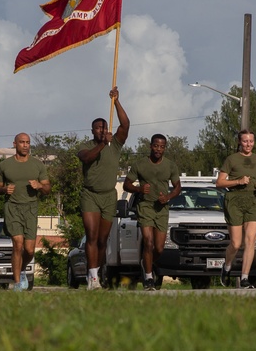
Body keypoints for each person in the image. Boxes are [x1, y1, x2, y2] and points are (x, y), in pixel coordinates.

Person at [76, 86, 130, 289]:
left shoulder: (115, 144)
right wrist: (101, 144)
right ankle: (92, 278)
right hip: (90, 195)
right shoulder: (85, 147)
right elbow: (88, 158)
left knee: (102, 239)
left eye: (104, 127)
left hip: (109, 196)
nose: (101, 130)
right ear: (92, 131)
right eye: (97, 128)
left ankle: (97, 271)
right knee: (91, 234)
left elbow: (125, 124)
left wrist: (116, 101)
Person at [215, 129, 256, 289]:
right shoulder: (232, 159)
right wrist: (238, 181)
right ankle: (227, 267)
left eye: (251, 141)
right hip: (234, 200)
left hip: (253, 201)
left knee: (250, 240)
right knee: (235, 243)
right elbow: (219, 183)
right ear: (240, 142)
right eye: (245, 141)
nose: (248, 144)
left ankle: (245, 278)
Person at [123, 134, 181, 290]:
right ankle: (148, 278)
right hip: (146, 206)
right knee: (148, 242)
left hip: (162, 208)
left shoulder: (170, 165)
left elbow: (178, 187)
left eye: (162, 147)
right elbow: (126, 184)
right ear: (150, 146)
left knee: (159, 248)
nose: (158, 149)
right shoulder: (140, 165)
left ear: (165, 148)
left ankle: (145, 261)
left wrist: (168, 197)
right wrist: (138, 189)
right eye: (156, 146)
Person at [0, 133, 51, 291]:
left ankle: (22, 269)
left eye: (27, 142)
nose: (25, 145)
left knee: (30, 250)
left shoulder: (37, 165)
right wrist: (4, 189)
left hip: (31, 208)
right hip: (12, 207)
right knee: (18, 245)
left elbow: (47, 188)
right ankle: (17, 282)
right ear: (15, 144)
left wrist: (39, 186)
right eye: (22, 142)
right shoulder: (5, 165)